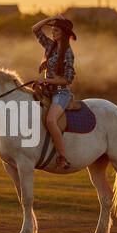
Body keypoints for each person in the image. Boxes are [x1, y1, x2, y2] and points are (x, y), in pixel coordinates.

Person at [32, 14, 77, 169]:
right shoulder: (50, 46)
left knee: (51, 121)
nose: (52, 32)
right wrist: (49, 19)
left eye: (56, 30)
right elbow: (35, 29)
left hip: (60, 93)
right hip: (46, 91)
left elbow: (67, 80)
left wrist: (46, 80)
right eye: (52, 30)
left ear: (64, 33)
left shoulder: (68, 53)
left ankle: (63, 157)